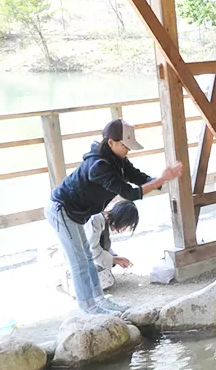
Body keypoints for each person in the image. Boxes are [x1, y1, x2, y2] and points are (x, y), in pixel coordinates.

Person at [47, 119, 183, 314]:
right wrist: (161, 180)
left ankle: (99, 300)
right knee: (79, 262)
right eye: (125, 145)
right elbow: (129, 193)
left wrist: (160, 181)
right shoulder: (98, 166)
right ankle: (89, 308)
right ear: (111, 143)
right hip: (62, 209)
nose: (128, 150)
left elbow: (137, 177)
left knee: (86, 257)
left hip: (77, 212)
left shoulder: (117, 160)